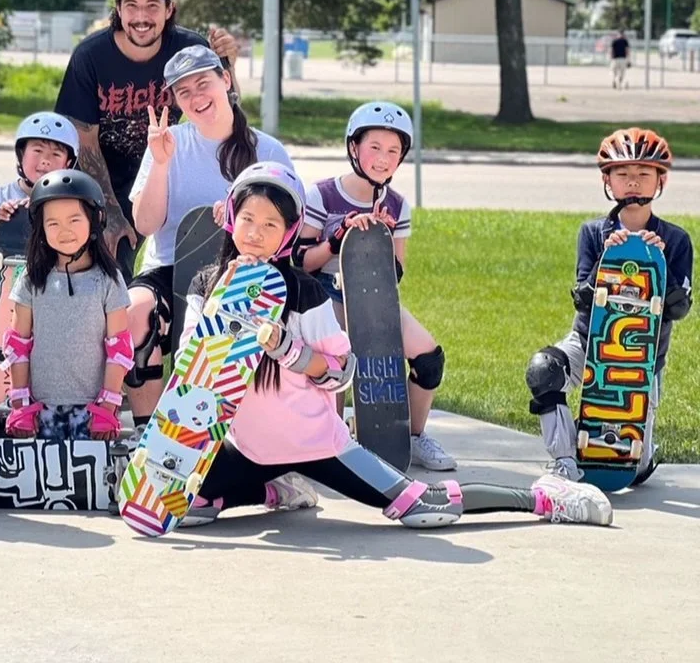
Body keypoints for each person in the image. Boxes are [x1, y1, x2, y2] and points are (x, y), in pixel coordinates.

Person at [178, 162, 613, 529]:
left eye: (270, 224)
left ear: (289, 232)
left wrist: (285, 347)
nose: (256, 233)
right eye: (248, 220)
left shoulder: (304, 293)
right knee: (186, 505)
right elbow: (188, 365)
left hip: (316, 444)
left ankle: (543, 498)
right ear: (232, 219)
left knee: (425, 509)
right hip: (250, 447)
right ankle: (277, 487)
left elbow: (341, 371)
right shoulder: (206, 285)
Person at [125, 45, 294, 427]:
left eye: (204, 83)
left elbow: (290, 230)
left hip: (243, 271)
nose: (197, 97)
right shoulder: (167, 143)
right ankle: (147, 433)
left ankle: (243, 429)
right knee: (135, 313)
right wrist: (161, 164)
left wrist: (241, 220)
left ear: (226, 80)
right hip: (170, 267)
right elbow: (146, 225)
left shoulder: (266, 151)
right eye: (184, 92)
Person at [294, 101, 456, 471]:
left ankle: (412, 437)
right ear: (354, 148)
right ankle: (330, 443)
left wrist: (377, 242)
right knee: (335, 365)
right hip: (323, 295)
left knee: (429, 358)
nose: (383, 159)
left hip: (373, 297)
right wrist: (339, 237)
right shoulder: (321, 194)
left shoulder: (398, 205)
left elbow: (397, 272)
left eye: (393, 151)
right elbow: (300, 260)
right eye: (375, 148)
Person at [54, 0, 238, 282]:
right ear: (118, 9)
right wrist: (109, 213)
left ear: (169, 9)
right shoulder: (91, 56)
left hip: (175, 167)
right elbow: (85, 143)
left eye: (152, 5)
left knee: (204, 264)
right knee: (109, 269)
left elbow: (226, 112)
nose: (141, 17)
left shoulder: (190, 49)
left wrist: (229, 66)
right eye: (132, 5)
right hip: (109, 177)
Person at [525, 128, 693, 482]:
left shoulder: (676, 240)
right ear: (608, 180)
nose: (633, 183)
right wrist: (607, 259)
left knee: (630, 467)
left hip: (640, 360)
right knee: (544, 370)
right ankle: (565, 460)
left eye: (643, 174)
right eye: (623, 174)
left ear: (660, 181)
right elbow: (583, 299)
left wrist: (657, 261)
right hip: (588, 343)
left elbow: (679, 308)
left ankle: (639, 450)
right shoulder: (592, 233)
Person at [0, 112, 80, 438]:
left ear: (69, 161)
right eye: (37, 150)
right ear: (20, 155)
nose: (45, 160)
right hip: (7, 290)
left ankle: (72, 408)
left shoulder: (76, 198)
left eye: (56, 153)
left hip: (62, 290)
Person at [2, 169, 134, 440]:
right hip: (40, 411)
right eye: (53, 224)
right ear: (40, 228)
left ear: (95, 220)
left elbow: (119, 347)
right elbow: (18, 344)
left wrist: (108, 406)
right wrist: (20, 404)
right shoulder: (31, 279)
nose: (64, 232)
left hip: (93, 411)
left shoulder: (108, 280)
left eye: (74, 220)